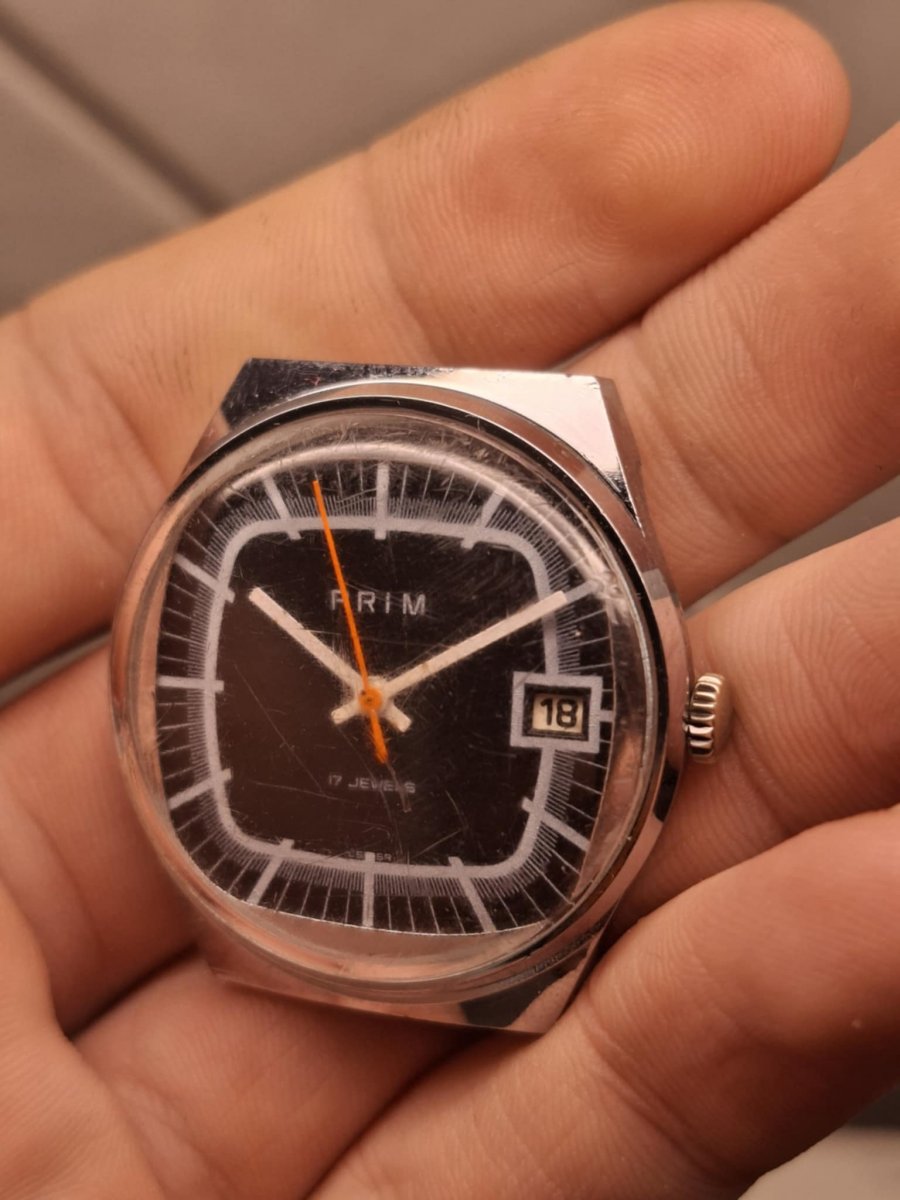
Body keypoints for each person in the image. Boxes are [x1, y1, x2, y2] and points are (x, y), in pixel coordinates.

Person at [1, 1, 897, 1195]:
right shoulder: (232, 525)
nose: (370, 698)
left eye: (375, 691)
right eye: (364, 689)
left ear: (690, 714)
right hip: (257, 907)